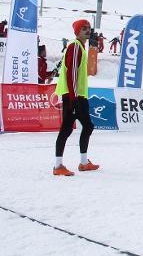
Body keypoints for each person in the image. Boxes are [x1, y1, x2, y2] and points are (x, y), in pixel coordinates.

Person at [53, 19, 99, 176]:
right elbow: (71, 73)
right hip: (73, 96)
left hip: (78, 96)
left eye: (88, 28)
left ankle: (83, 162)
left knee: (85, 126)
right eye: (84, 28)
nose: (87, 30)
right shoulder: (74, 47)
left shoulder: (80, 47)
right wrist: (73, 99)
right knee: (67, 129)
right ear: (77, 31)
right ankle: (59, 165)